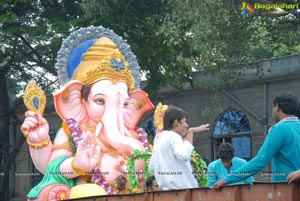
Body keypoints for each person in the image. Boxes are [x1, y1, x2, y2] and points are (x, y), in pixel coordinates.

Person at [214, 91, 300, 189]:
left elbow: (260, 161)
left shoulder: (279, 129)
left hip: (287, 190)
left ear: (277, 107)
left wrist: (227, 179)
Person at [149, 106, 210, 190]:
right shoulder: (173, 136)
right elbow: (184, 154)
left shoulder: (159, 140)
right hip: (182, 192)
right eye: (185, 121)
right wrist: (190, 133)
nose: (187, 125)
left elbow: (152, 168)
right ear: (176, 123)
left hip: (166, 193)